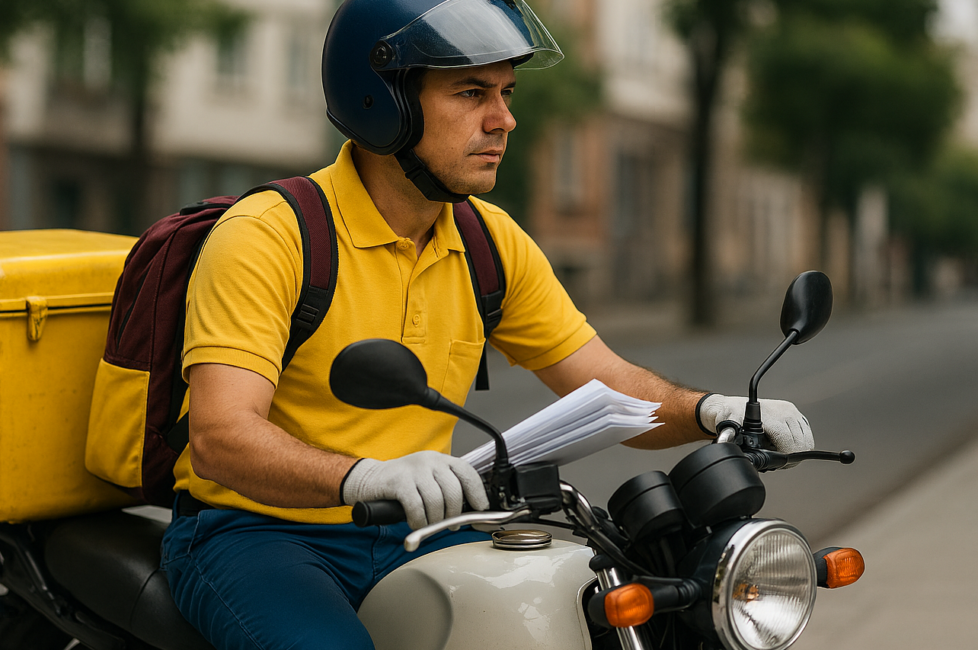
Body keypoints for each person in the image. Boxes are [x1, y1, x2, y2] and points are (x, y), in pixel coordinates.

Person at [160, 1, 814, 648]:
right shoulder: (270, 236)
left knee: (566, 616)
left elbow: (609, 387)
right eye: (472, 92)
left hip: (416, 525)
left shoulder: (488, 244)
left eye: (505, 92)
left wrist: (712, 411)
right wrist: (365, 475)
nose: (505, 119)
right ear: (383, 103)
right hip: (255, 531)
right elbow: (221, 436)